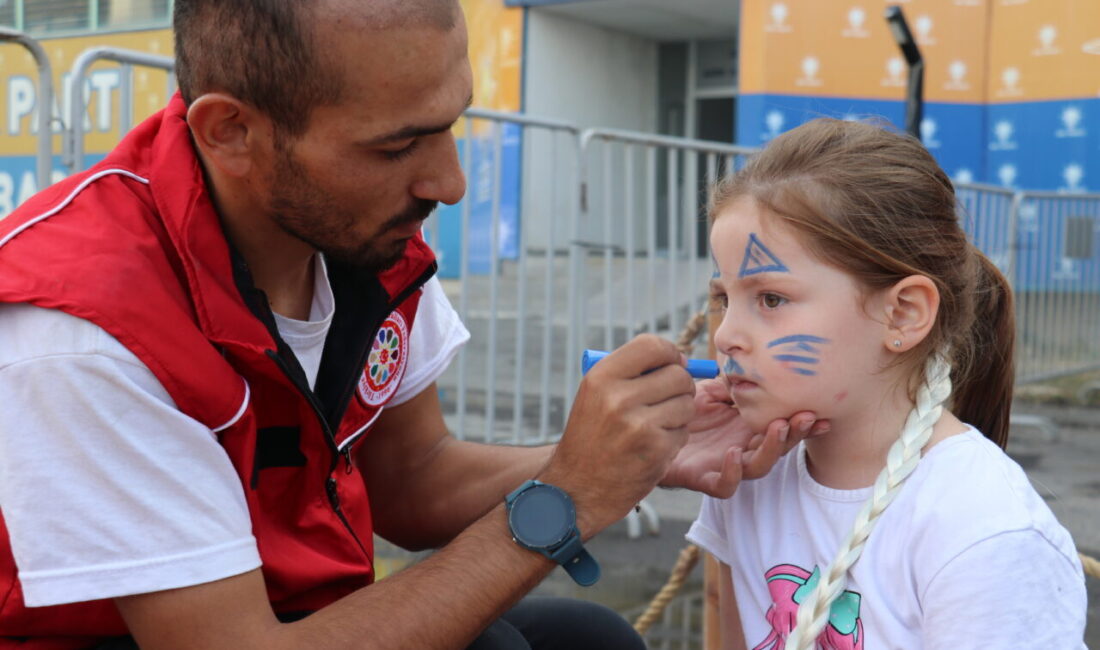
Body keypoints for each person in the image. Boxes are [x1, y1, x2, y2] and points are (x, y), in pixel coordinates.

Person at [0, 1, 828, 648]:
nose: (450, 181)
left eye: (451, 122)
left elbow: (412, 477)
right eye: (399, 146)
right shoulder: (82, 328)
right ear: (233, 132)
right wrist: (565, 498)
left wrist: (631, 459)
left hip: (294, 615)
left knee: (589, 638)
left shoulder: (359, 230)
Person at [688, 117, 1089, 650]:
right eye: (723, 299)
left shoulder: (982, 530)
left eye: (771, 299)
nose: (727, 336)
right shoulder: (745, 473)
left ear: (902, 314)